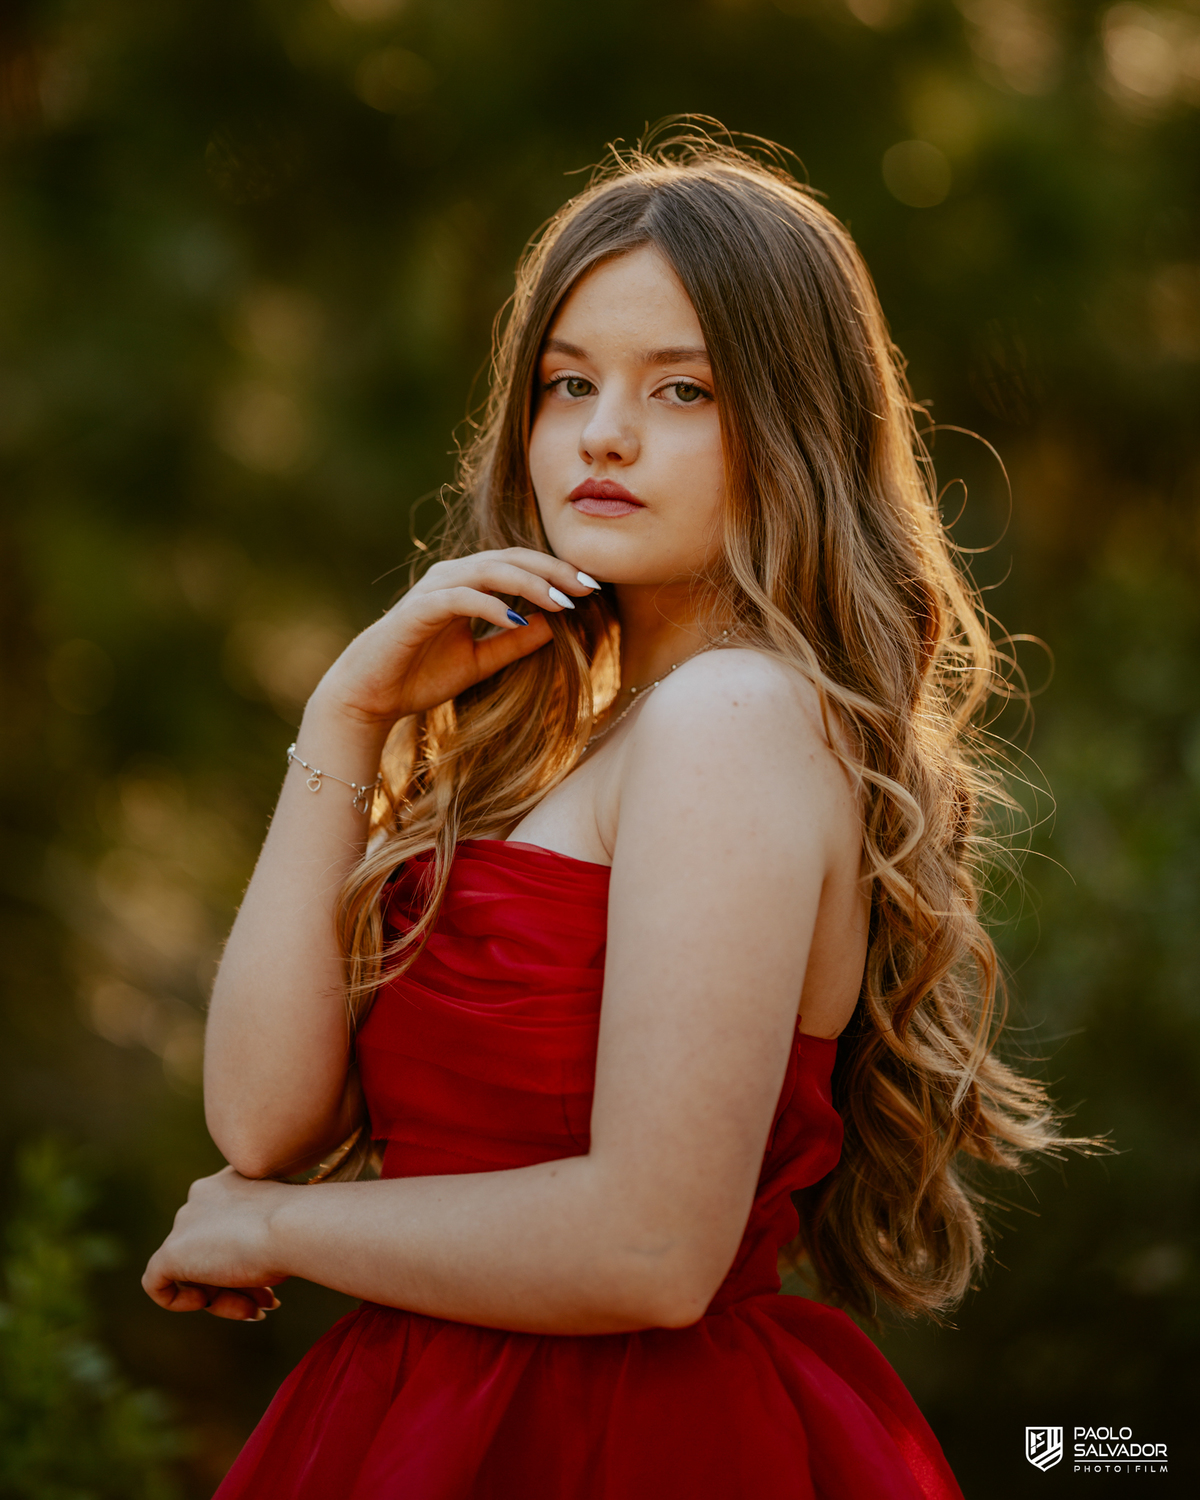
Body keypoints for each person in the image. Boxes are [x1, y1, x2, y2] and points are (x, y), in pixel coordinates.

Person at [143, 129, 1066, 1499]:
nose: (602, 434)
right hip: (423, 1416)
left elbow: (650, 1249)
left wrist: (282, 1229)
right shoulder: (565, 741)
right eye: (567, 384)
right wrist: (346, 716)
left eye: (681, 389)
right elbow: (260, 1121)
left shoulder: (733, 718)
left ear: (797, 426)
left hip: (607, 1439)